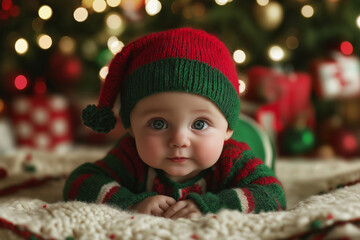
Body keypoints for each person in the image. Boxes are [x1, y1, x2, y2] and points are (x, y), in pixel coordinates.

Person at [63, 28, 286, 219]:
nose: (179, 140)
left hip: (254, 141)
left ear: (227, 128)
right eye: (158, 124)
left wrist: (212, 205)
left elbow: (273, 194)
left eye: (199, 124)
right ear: (131, 126)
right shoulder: (130, 155)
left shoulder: (232, 159)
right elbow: (80, 182)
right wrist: (131, 202)